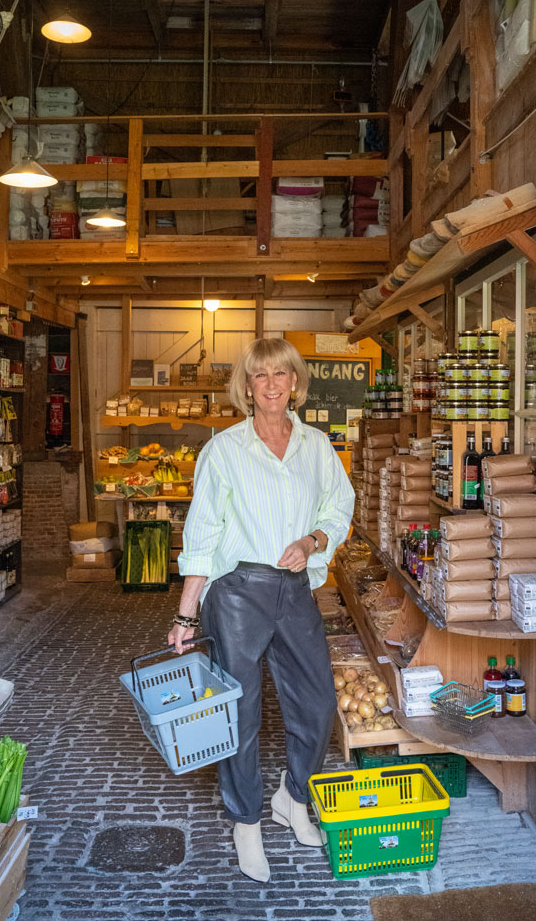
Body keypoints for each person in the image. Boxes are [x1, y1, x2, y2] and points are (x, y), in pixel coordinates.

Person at [169, 337, 355, 883]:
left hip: (294, 589)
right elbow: (202, 533)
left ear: (295, 382)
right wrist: (186, 614)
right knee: (240, 712)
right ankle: (245, 819)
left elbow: (338, 505)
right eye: (260, 376)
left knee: (318, 703)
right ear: (246, 387)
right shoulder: (223, 450)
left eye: (281, 373)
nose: (272, 384)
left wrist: (314, 540)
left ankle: (293, 797)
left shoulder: (317, 446)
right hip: (237, 594)